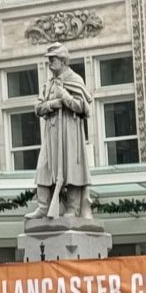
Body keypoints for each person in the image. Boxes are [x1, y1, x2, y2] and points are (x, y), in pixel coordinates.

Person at [25, 45, 95, 221]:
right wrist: (53, 104)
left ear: (63, 60)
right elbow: (38, 108)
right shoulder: (48, 83)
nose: (49, 63)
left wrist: (65, 96)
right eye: (49, 59)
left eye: (53, 59)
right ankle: (43, 206)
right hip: (51, 134)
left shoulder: (75, 79)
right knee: (44, 167)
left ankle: (73, 208)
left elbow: (84, 108)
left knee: (72, 169)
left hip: (70, 133)